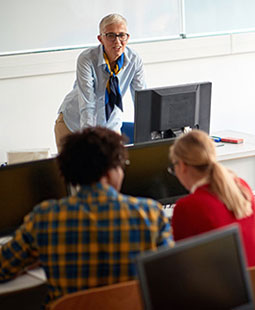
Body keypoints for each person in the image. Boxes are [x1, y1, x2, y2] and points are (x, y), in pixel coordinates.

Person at [0, 127, 173, 307]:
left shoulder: (44, 219)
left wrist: (38, 254)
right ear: (109, 172)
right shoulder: (150, 213)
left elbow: (2, 268)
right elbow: (169, 277)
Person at [169, 130, 255, 267]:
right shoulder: (241, 186)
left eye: (173, 167)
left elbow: (182, 265)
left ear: (183, 166)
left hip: (228, 287)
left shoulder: (187, 207)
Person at [54, 13, 146, 151]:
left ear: (128, 37)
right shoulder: (87, 59)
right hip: (74, 124)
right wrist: (89, 141)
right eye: (110, 35)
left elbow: (142, 100)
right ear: (100, 38)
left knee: (116, 168)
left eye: (122, 35)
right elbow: (87, 104)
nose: (118, 41)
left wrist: (150, 131)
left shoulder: (134, 60)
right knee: (79, 170)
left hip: (110, 124)